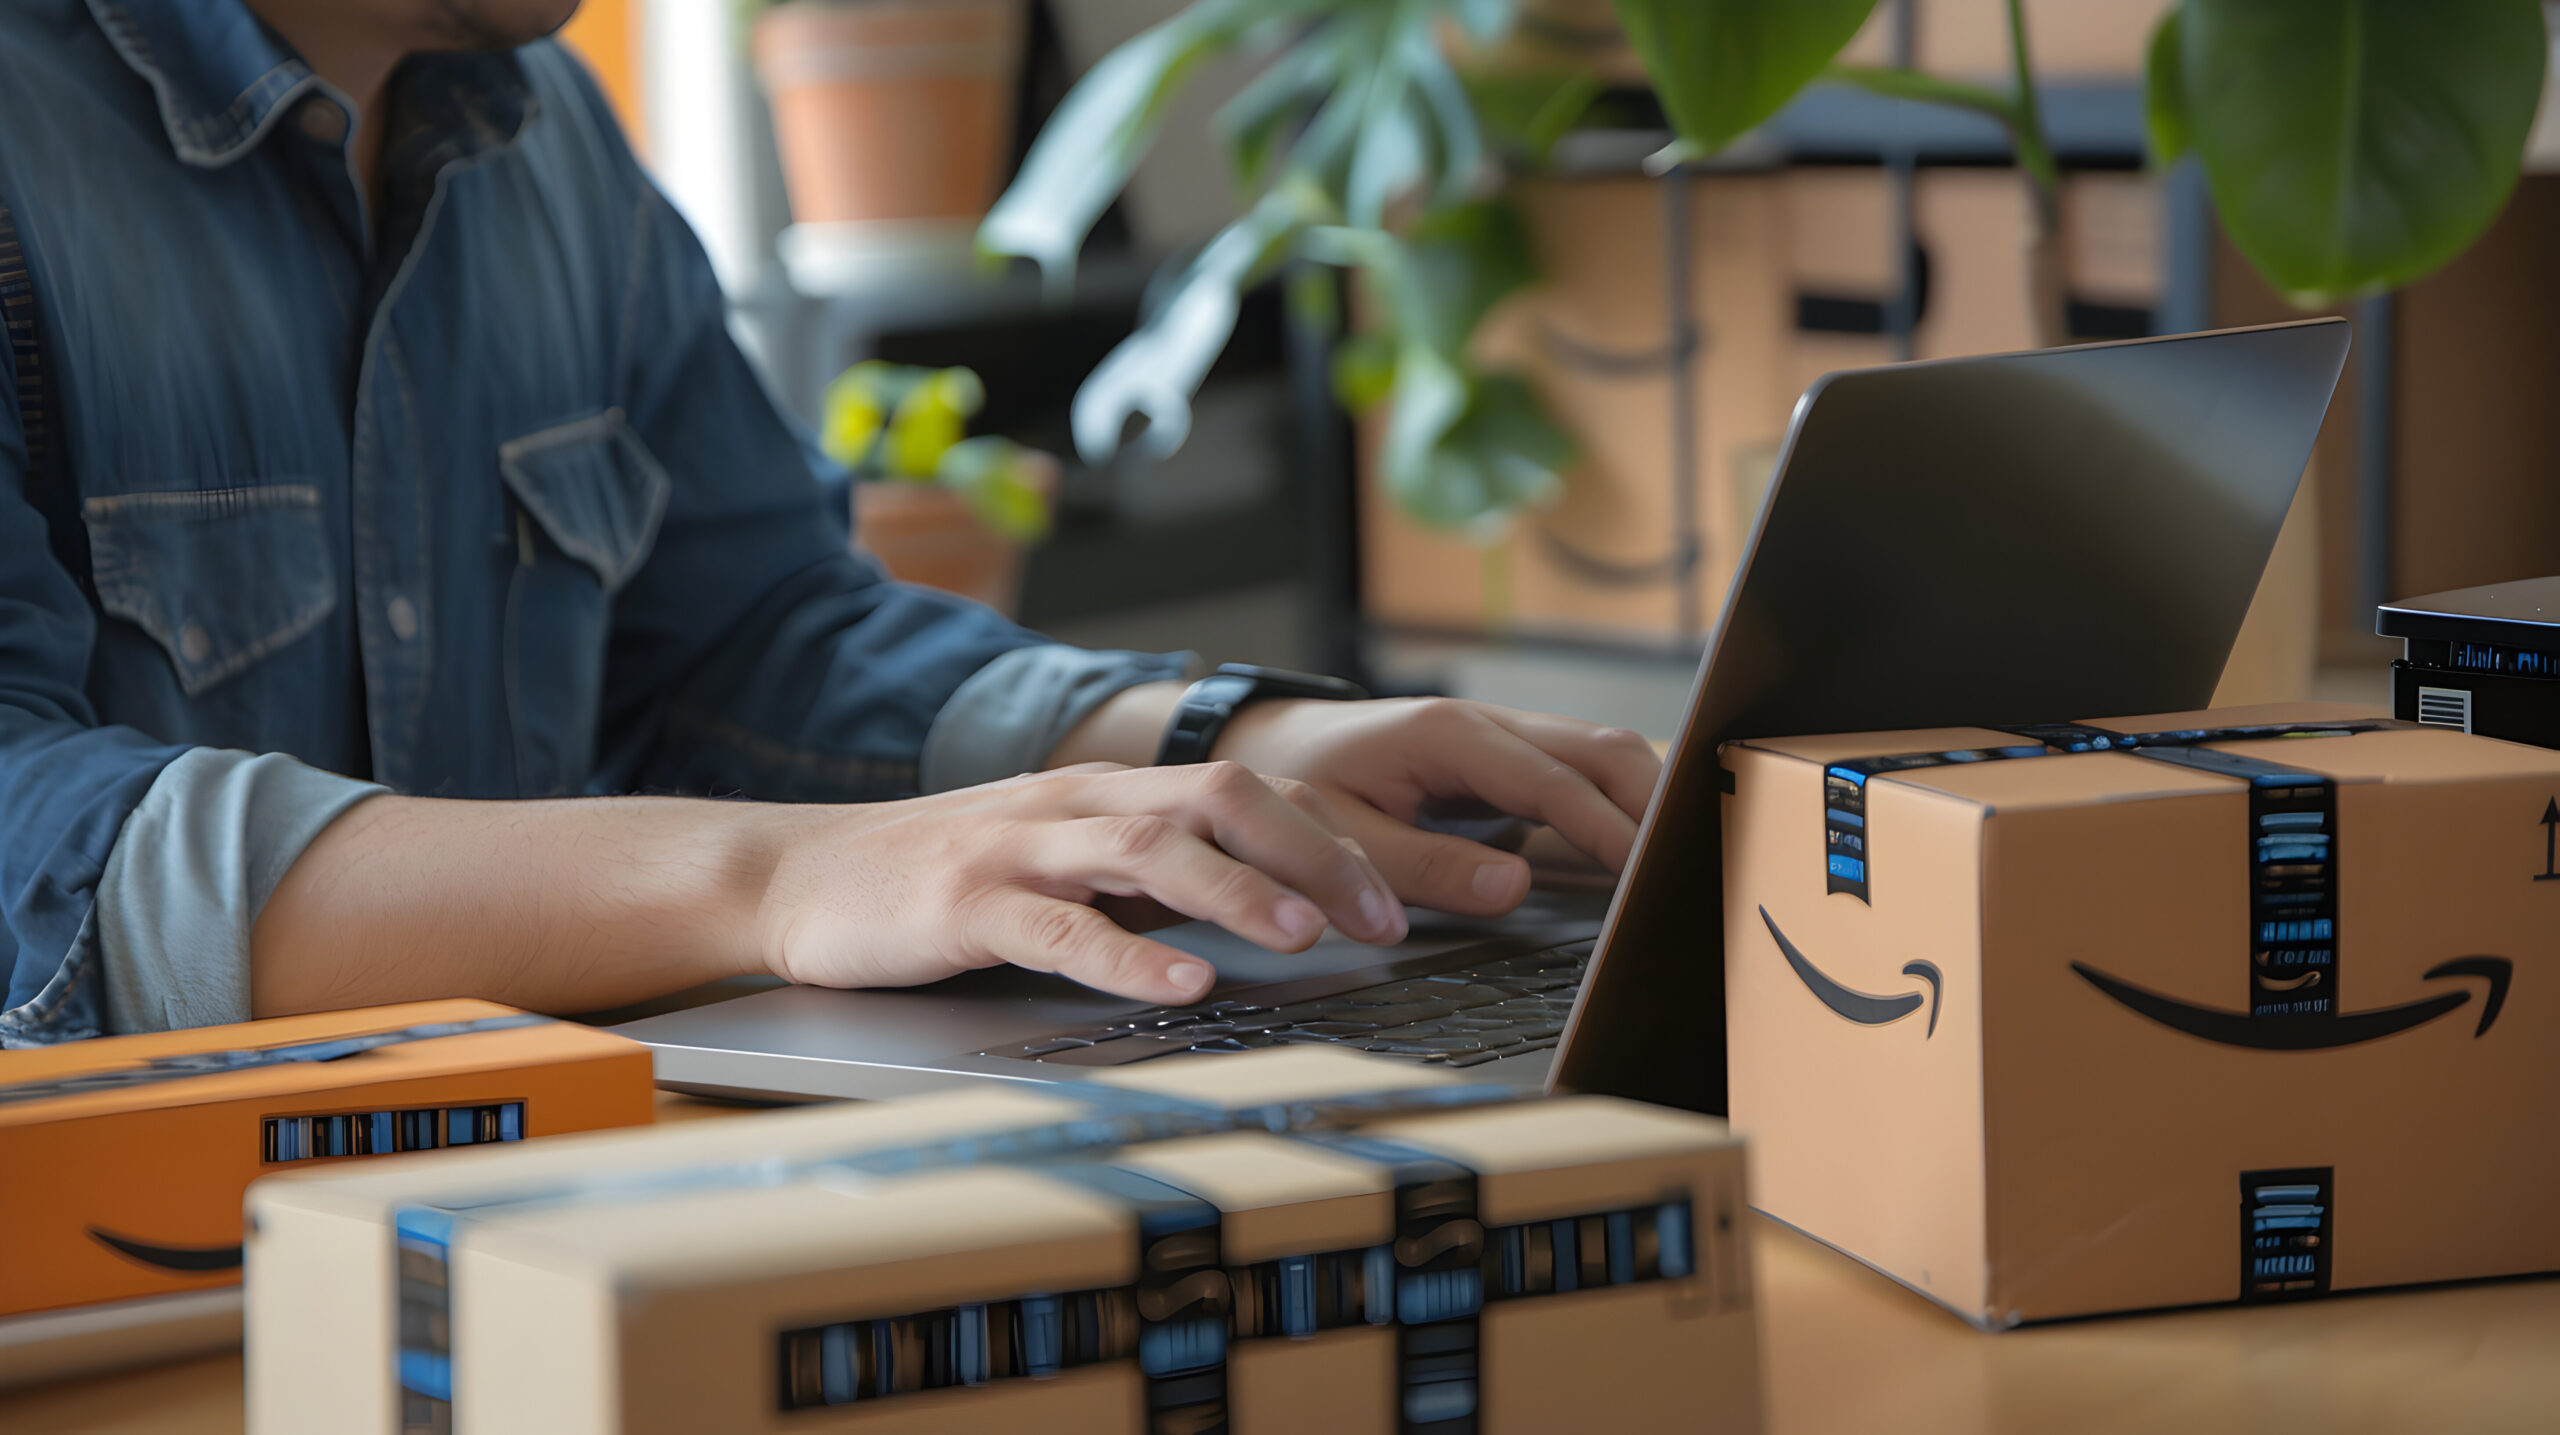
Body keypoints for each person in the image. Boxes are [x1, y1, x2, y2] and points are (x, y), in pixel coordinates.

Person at [0, 0, 1659, 1048]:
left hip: (518, 1192)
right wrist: (770, 878)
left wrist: (1206, 744)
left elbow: (748, 628)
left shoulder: (547, 132)